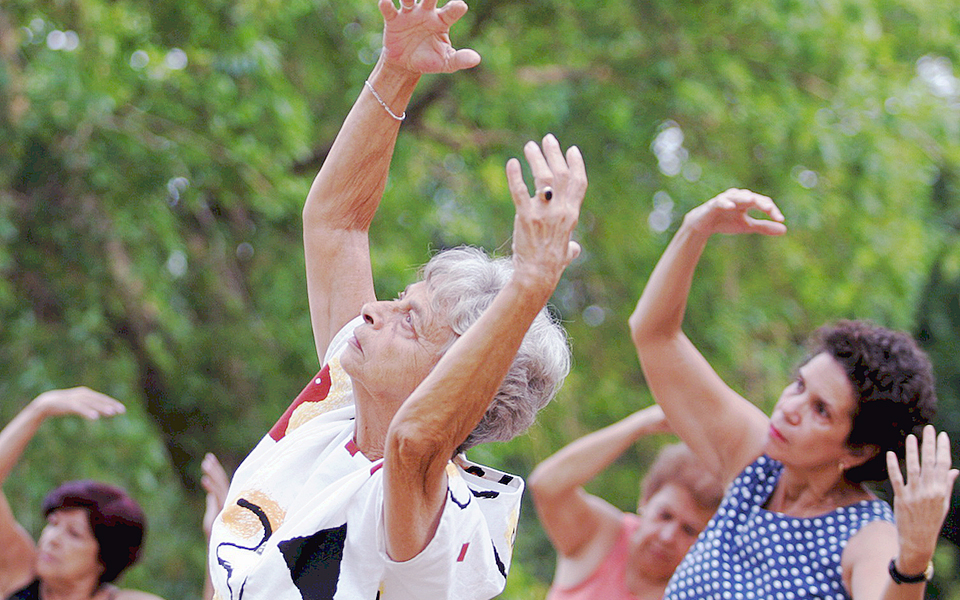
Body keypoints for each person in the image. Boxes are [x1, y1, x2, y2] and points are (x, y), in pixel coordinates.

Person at [204, 0, 587, 597]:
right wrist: (395, 69)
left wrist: (530, 285)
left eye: (410, 322)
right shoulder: (342, 398)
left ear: (458, 376)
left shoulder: (436, 506)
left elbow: (417, 439)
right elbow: (335, 223)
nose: (373, 311)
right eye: (398, 299)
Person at [628, 188, 958, 600]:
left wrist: (911, 563)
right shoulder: (756, 465)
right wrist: (696, 228)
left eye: (821, 410)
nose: (790, 408)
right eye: (800, 385)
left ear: (857, 450)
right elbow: (654, 336)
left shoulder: (868, 536)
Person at [530, 405, 723, 600]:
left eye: (689, 530)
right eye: (665, 515)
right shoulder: (602, 535)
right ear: (645, 500)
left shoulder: (697, 589)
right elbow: (547, 485)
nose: (667, 537)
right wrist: (641, 424)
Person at [0, 387, 163, 600]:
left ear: (104, 559)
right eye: (53, 523)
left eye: (74, 534)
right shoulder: (20, 572)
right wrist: (39, 409)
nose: (53, 539)